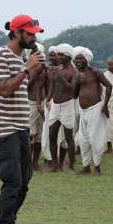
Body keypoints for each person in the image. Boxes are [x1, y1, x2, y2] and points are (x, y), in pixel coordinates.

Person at [0, 15, 45, 224]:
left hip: (21, 127)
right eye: (30, 33)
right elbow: (4, 90)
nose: (34, 37)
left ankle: (10, 222)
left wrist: (32, 70)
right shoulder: (0, 57)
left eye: (35, 33)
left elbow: (21, 89)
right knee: (12, 180)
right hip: (5, 128)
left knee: (24, 180)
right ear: (17, 32)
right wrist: (27, 68)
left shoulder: (20, 59)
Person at [73, 47, 111, 175]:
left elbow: (109, 85)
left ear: (87, 59)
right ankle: (86, 167)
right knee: (83, 139)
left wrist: (105, 105)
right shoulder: (77, 75)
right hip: (83, 110)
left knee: (96, 138)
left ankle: (97, 166)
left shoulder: (95, 72)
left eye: (80, 58)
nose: (78, 61)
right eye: (76, 59)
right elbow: (74, 95)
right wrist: (77, 82)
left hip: (96, 109)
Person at [46, 43, 77, 171]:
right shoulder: (56, 69)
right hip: (55, 105)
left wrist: (60, 76)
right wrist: (48, 99)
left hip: (67, 105)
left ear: (68, 57)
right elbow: (52, 85)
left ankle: (70, 164)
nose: (58, 57)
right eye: (58, 54)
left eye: (61, 55)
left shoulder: (73, 72)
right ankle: (55, 164)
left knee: (69, 137)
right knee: (52, 135)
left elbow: (72, 89)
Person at [25, 43, 47, 171]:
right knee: (30, 134)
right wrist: (35, 72)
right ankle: (27, 162)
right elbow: (27, 86)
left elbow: (43, 87)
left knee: (39, 135)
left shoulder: (43, 67)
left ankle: (35, 163)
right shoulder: (26, 69)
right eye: (33, 53)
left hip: (42, 102)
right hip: (30, 103)